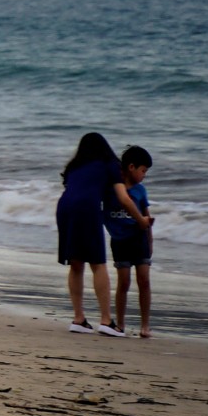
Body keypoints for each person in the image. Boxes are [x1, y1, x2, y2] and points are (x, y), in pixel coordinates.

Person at [54, 132, 148, 336]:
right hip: (87, 208)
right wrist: (141, 220)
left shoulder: (74, 166)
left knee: (76, 263)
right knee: (98, 264)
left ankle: (79, 319)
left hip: (64, 208)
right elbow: (123, 198)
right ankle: (106, 321)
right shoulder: (109, 164)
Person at [109, 146, 156, 338]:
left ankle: (145, 325)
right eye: (143, 170)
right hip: (120, 241)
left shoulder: (140, 191)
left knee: (144, 280)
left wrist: (150, 241)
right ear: (131, 167)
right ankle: (120, 323)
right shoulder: (112, 189)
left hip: (139, 240)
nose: (144, 175)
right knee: (124, 282)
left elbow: (147, 217)